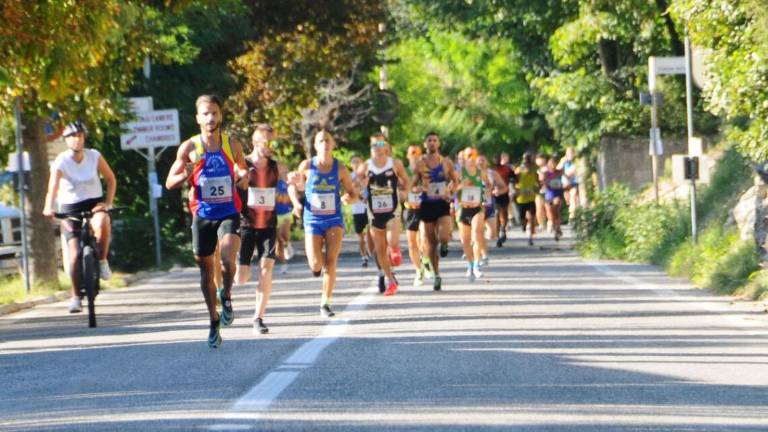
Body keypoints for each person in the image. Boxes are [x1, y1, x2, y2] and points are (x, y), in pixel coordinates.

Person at [165, 94, 247, 348]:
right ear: (198, 118)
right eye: (205, 114)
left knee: (226, 261)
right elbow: (169, 182)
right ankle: (213, 321)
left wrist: (243, 176)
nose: (210, 118)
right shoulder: (189, 148)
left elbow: (242, 171)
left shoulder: (231, 144)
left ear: (220, 115)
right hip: (202, 214)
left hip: (229, 211)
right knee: (205, 270)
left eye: (214, 113)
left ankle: (228, 295)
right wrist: (185, 174)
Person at [43, 121, 117, 313]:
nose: (77, 140)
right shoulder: (61, 161)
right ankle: (76, 296)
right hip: (70, 208)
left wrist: (108, 203)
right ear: (66, 140)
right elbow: (53, 188)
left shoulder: (94, 156)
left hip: (94, 203)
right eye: (73, 137)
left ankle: (101, 260)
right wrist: (48, 207)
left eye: (80, 136)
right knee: (75, 253)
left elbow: (110, 179)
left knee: (102, 221)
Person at [289, 130, 358, 318]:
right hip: (313, 219)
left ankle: (325, 303)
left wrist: (348, 199)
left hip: (334, 219)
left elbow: (353, 193)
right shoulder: (307, 166)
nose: (325, 143)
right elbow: (293, 186)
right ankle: (316, 269)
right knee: (315, 262)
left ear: (333, 144)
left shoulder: (341, 169)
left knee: (331, 260)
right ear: (315, 145)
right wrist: (296, 203)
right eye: (321, 140)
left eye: (328, 140)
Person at [234, 123, 289, 335]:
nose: (270, 145)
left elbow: (295, 183)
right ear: (256, 142)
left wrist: (297, 183)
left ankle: (258, 317)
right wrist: (241, 182)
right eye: (267, 141)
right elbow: (233, 187)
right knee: (242, 277)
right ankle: (224, 279)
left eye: (272, 141)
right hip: (246, 224)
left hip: (268, 225)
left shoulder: (277, 167)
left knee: (266, 270)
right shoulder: (242, 164)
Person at [356, 134, 410, 295]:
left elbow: (406, 180)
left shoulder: (395, 163)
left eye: (380, 143)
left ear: (386, 146)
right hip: (374, 211)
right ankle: (391, 281)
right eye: (374, 145)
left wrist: (405, 192)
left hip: (392, 209)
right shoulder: (365, 166)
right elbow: (356, 184)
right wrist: (361, 189)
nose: (377, 147)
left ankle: (395, 248)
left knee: (391, 240)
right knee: (380, 250)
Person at [416, 132, 458, 291]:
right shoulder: (420, 164)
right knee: (430, 243)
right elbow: (413, 185)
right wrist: (420, 188)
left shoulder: (446, 162)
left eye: (435, 140)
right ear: (425, 144)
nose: (432, 143)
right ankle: (437, 274)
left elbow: (455, 181)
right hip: (426, 204)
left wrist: (450, 192)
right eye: (429, 140)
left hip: (442, 202)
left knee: (444, 235)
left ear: (439, 143)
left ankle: (445, 244)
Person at [455, 147, 489, 282]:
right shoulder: (459, 173)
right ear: (463, 158)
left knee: (476, 233)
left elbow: (489, 186)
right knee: (465, 240)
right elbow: (450, 189)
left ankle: (476, 265)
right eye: (468, 155)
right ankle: (469, 265)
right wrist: (461, 186)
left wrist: (484, 198)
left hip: (477, 208)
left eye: (473, 155)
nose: (471, 158)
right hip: (463, 208)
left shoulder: (481, 173)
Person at [403, 144, 430, 286]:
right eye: (412, 153)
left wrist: (422, 188)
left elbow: (431, 187)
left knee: (425, 237)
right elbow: (399, 188)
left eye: (417, 153)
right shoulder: (403, 171)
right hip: (410, 209)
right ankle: (418, 270)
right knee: (412, 243)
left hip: (424, 207)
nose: (415, 155)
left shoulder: (424, 170)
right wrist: (408, 190)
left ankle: (426, 260)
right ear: (408, 155)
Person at [478, 154, 508, 266]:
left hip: (489, 205)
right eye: (478, 160)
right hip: (476, 207)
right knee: (478, 232)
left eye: (483, 160)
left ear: (487, 162)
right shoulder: (470, 173)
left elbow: (504, 187)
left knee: (491, 234)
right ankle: (483, 255)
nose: (481, 162)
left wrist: (498, 191)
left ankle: (480, 245)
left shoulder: (492, 173)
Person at [349, 156, 373, 268]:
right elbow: (350, 191)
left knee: (371, 232)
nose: (356, 164)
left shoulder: (368, 175)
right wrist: (359, 197)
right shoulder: (349, 177)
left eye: (358, 162)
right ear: (351, 165)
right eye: (354, 162)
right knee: (360, 237)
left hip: (368, 207)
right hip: (357, 208)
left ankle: (370, 250)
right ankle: (364, 257)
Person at [515, 152, 540, 246]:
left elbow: (537, 182)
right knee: (522, 217)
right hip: (521, 198)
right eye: (525, 159)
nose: (527, 161)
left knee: (532, 216)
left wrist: (537, 189)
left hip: (531, 197)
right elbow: (515, 181)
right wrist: (516, 189)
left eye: (528, 159)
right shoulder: (519, 170)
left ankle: (531, 236)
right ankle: (523, 225)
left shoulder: (534, 170)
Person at [492, 152, 514, 247]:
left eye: (498, 159)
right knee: (496, 212)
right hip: (493, 194)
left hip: (504, 193)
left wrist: (512, 186)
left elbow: (513, 178)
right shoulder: (490, 170)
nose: (496, 161)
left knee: (503, 213)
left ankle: (503, 228)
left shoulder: (507, 169)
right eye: (494, 159)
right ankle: (497, 236)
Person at [541, 155, 565, 241]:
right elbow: (542, 182)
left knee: (556, 209)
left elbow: (566, 180)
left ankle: (557, 227)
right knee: (550, 213)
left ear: (556, 164)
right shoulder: (545, 173)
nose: (552, 165)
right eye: (550, 164)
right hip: (549, 195)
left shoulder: (560, 172)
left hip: (557, 194)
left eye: (554, 163)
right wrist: (545, 183)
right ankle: (555, 226)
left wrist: (565, 185)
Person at [558, 146, 580, 220]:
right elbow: (557, 170)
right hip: (565, 184)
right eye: (567, 153)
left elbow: (571, 173)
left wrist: (563, 173)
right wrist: (562, 162)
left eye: (571, 153)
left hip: (573, 183)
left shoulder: (576, 162)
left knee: (573, 198)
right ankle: (573, 213)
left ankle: (572, 217)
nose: (569, 155)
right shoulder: (564, 161)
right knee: (568, 201)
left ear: (574, 154)